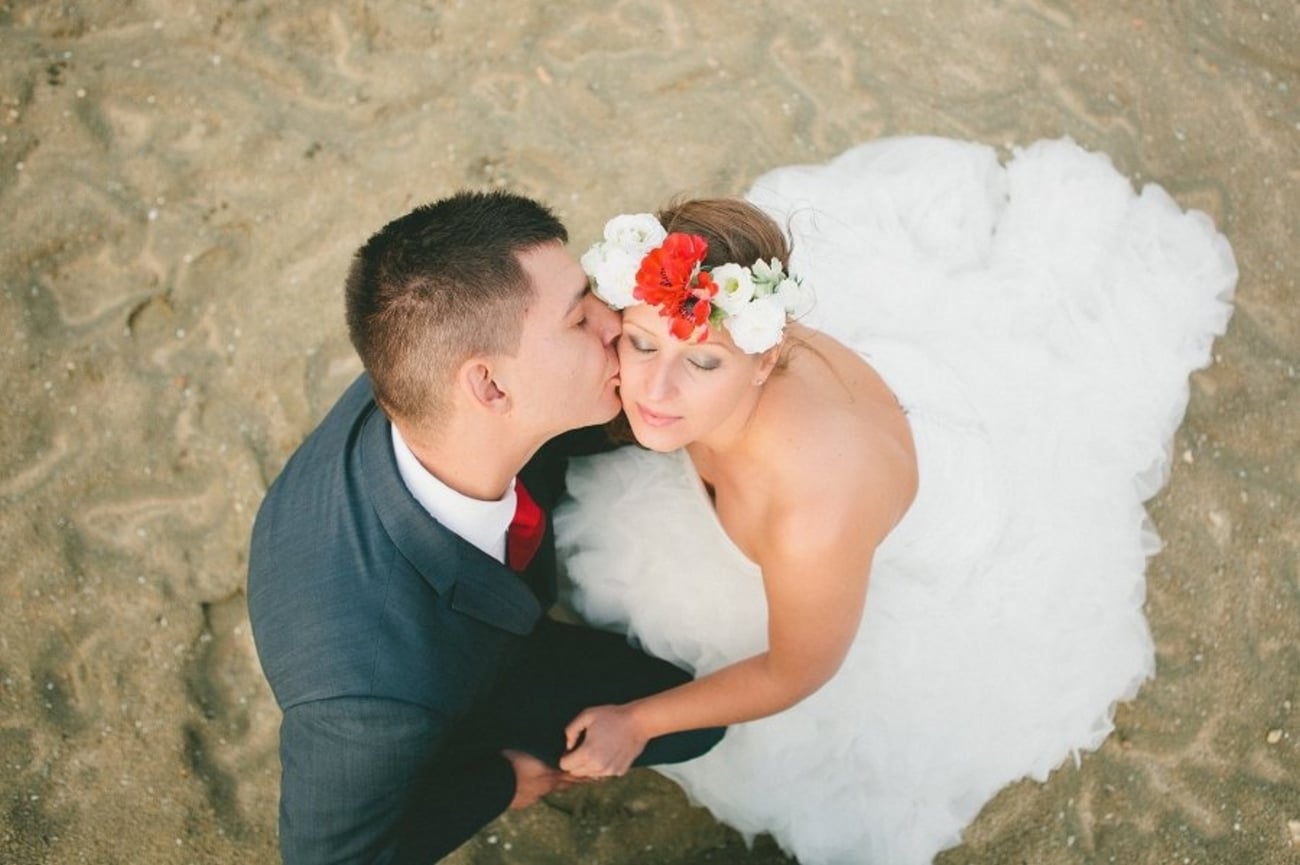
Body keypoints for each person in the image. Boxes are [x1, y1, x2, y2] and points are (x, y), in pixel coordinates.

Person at [553, 137, 1237, 865]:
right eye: (641, 343)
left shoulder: (813, 515)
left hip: (901, 506)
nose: (653, 392)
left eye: (703, 361)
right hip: (888, 412)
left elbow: (797, 671)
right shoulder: (725, 326)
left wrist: (638, 720)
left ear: (764, 361)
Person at [246, 190, 723, 865]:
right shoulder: (371, 699)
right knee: (688, 718)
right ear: (492, 389)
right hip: (456, 663)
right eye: (578, 318)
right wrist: (496, 781)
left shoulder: (433, 378)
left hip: (466, 545)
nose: (614, 322)